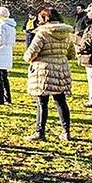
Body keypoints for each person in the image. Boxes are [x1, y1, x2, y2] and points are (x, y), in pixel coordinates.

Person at [23, 8, 76, 141]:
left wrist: (29, 58)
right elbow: (72, 54)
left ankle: (40, 132)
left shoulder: (42, 33)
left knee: (42, 102)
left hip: (44, 70)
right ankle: (66, 131)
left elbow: (30, 54)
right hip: (61, 69)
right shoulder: (66, 33)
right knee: (61, 101)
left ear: (44, 19)